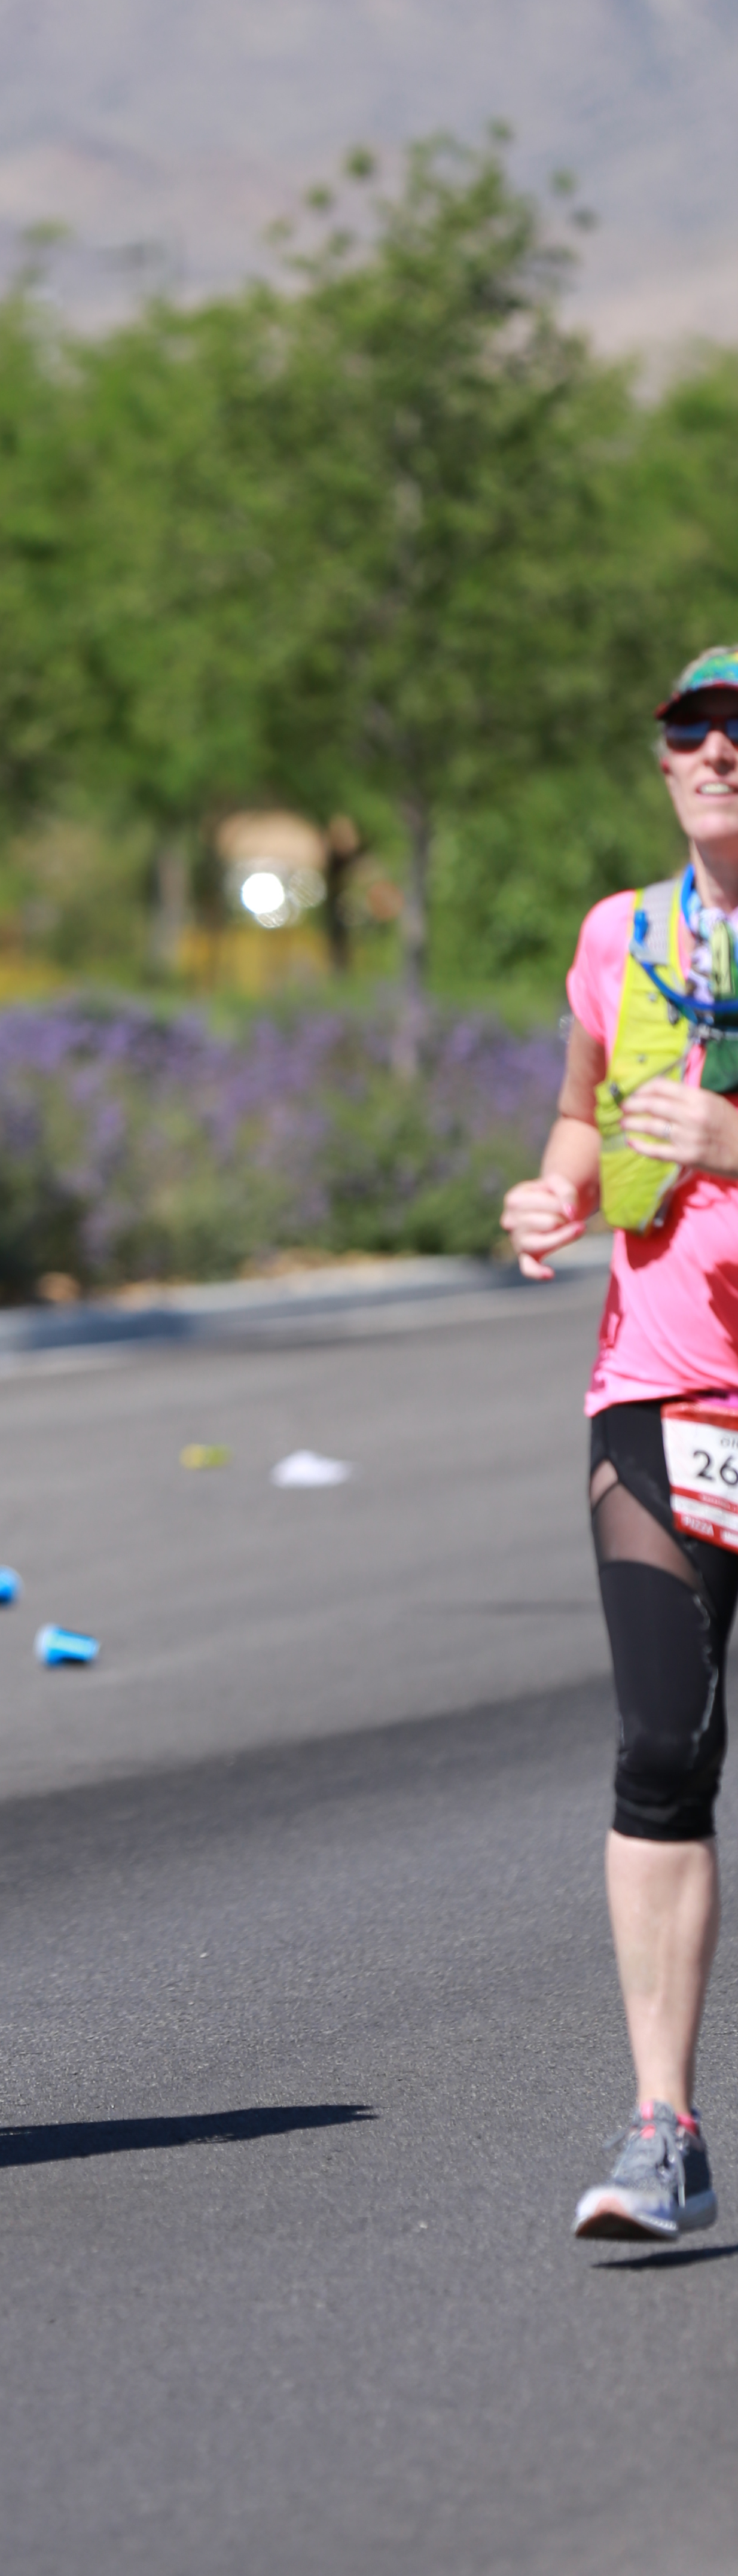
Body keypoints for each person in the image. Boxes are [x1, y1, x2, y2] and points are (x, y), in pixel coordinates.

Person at [503, 642, 738, 2242]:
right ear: (662, 762)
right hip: (662, 1393)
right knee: (662, 1750)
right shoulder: (622, 938)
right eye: (691, 729)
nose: (717, 752)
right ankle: (663, 2127)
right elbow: (585, 1109)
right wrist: (557, 1189)